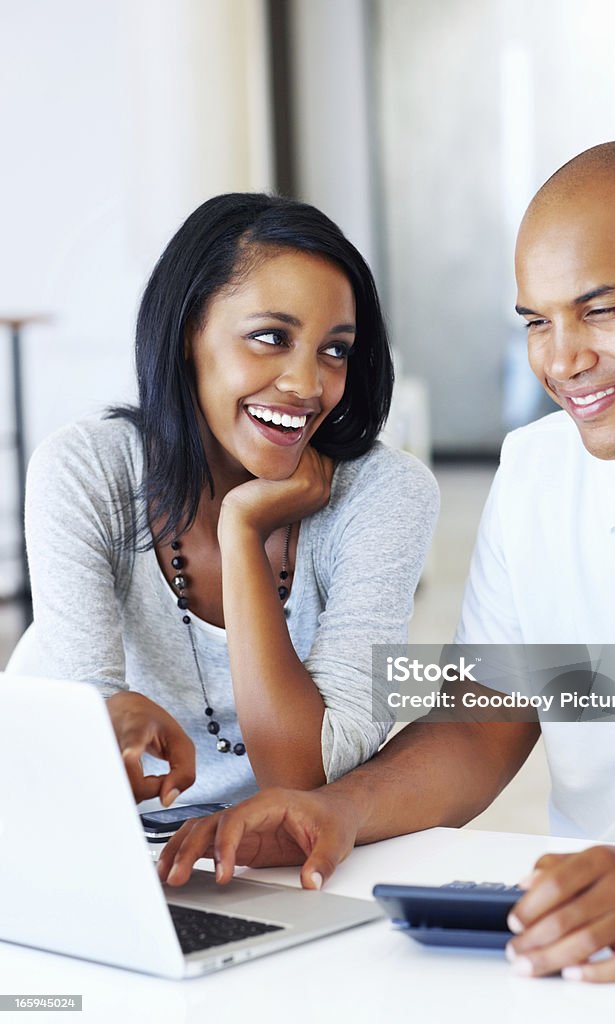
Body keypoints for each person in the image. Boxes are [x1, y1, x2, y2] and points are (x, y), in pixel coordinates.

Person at [157, 142, 615, 982]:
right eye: (536, 321)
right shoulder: (537, 470)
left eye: (598, 311)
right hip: (594, 945)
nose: (560, 361)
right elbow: (485, 722)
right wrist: (334, 809)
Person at [9, 192, 439, 807]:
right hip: (72, 822)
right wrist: (107, 721)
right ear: (190, 334)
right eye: (270, 337)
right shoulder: (86, 470)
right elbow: (86, 733)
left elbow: (306, 777)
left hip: (265, 856)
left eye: (335, 349)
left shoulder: (384, 494)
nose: (307, 384)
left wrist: (242, 528)